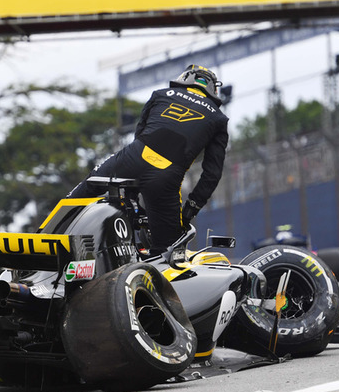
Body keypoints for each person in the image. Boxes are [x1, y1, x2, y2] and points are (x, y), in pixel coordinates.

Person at [68, 64, 229, 254]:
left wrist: (132, 192)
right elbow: (212, 174)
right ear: (213, 89)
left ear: (184, 79)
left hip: (132, 157)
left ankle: (46, 233)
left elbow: (140, 133)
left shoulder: (160, 94)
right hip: (165, 177)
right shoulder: (219, 119)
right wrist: (189, 210)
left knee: (81, 193)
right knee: (167, 253)